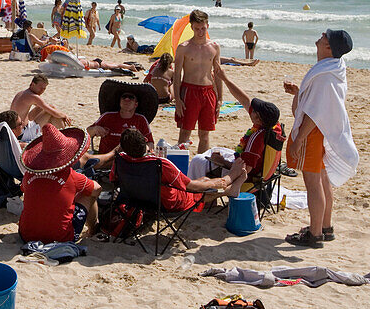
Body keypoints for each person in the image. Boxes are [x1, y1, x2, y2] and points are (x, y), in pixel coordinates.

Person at [283, 29, 359, 248]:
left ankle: (314, 235)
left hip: (313, 132)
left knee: (313, 183)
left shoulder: (326, 76)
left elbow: (317, 113)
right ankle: (325, 227)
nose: (322, 35)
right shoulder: (333, 70)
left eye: (326, 36)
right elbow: (318, 104)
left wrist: (299, 140)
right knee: (322, 179)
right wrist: (299, 93)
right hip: (321, 131)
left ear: (329, 47)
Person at [111, 129, 247, 213]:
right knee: (200, 191)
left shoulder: (120, 159)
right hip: (165, 203)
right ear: (145, 142)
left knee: (203, 180)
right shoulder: (160, 164)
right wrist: (229, 176)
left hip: (135, 199)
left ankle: (227, 186)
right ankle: (229, 187)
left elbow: (113, 180)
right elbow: (192, 187)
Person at [189, 68, 284, 182]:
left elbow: (245, 169)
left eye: (254, 111)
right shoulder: (272, 126)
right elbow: (244, 100)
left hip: (243, 175)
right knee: (213, 150)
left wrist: (221, 161)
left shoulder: (257, 137)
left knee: (197, 160)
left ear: (259, 119)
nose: (251, 110)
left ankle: (196, 193)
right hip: (251, 164)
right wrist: (225, 79)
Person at [19, 125, 100, 243]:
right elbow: (97, 189)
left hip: (25, 236)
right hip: (61, 238)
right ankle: (93, 229)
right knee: (88, 193)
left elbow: (25, 189)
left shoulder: (29, 174)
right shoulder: (71, 176)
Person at [173, 9, 222, 153]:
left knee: (205, 134)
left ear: (208, 25)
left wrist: (220, 99)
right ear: (191, 27)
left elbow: (218, 75)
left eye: (203, 28)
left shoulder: (214, 47)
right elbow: (177, 75)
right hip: (189, 91)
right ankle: (180, 167)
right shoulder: (184, 48)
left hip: (208, 91)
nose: (200, 32)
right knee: (185, 132)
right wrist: (177, 99)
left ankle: (200, 165)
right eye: (197, 29)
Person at [86, 89, 153, 155]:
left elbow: (150, 143)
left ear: (136, 104)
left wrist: (144, 150)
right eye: (124, 97)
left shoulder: (141, 119)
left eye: (131, 97)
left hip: (130, 159)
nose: (127, 99)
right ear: (120, 102)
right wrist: (95, 129)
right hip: (106, 159)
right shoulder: (107, 116)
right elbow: (86, 134)